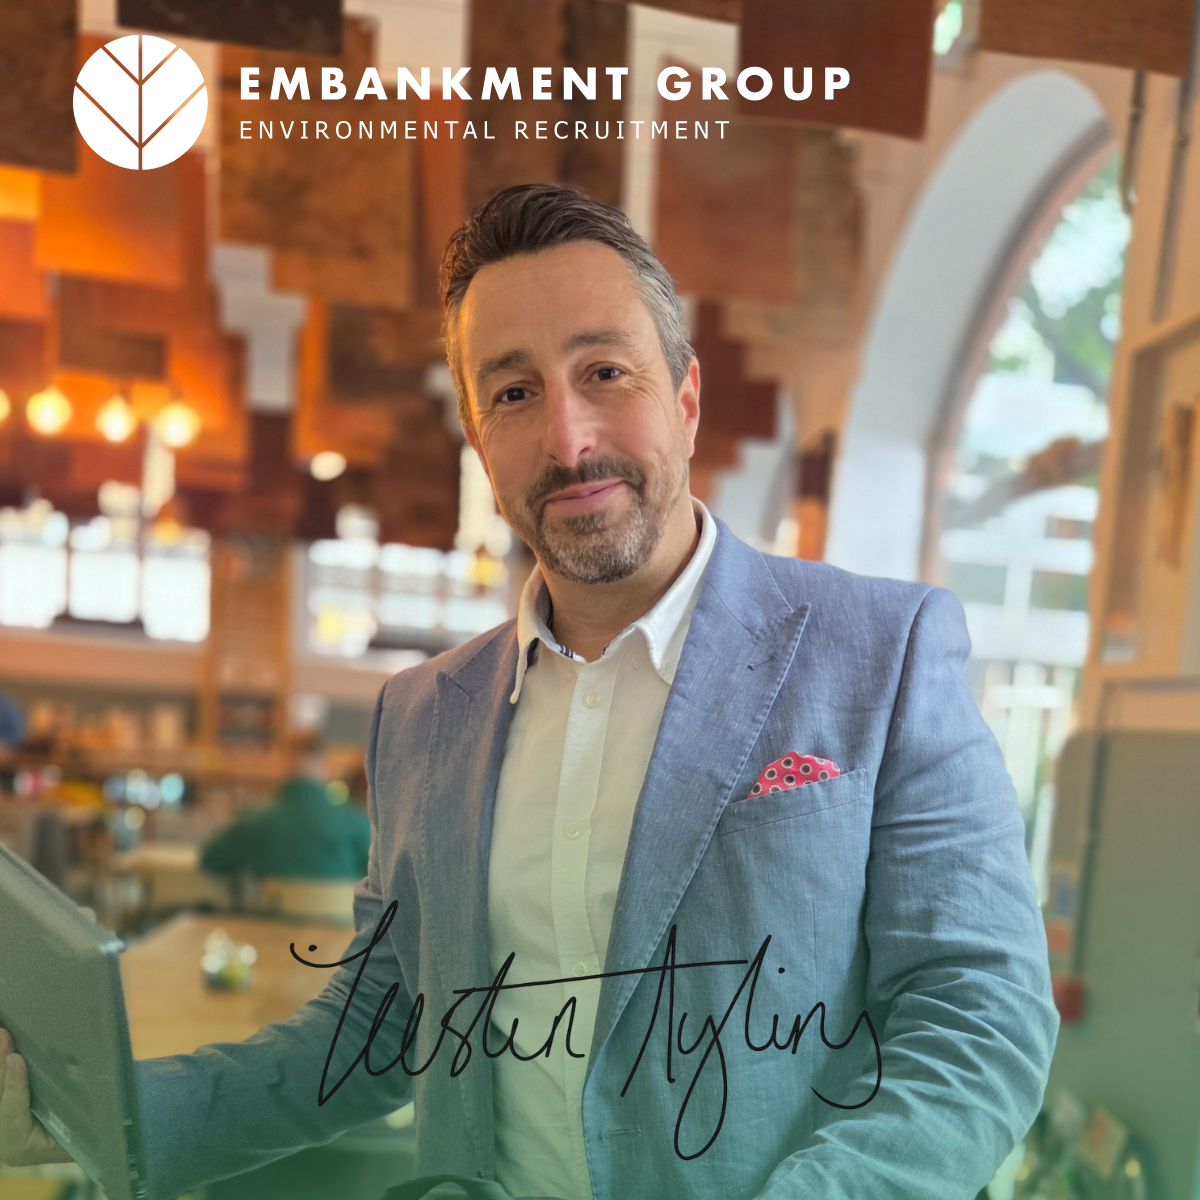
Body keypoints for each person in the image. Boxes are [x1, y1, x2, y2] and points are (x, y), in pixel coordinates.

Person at [0, 183, 1058, 1200]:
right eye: (513, 393)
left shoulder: (885, 649)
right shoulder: (420, 716)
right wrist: (83, 1116)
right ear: (479, 443)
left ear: (685, 399)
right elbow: (374, 1034)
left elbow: (981, 1018)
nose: (568, 439)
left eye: (606, 372)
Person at [199, 738, 371, 881]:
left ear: (283, 766)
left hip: (270, 919)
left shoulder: (253, 821)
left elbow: (211, 860)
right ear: (326, 767)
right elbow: (377, 877)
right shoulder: (356, 823)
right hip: (341, 921)